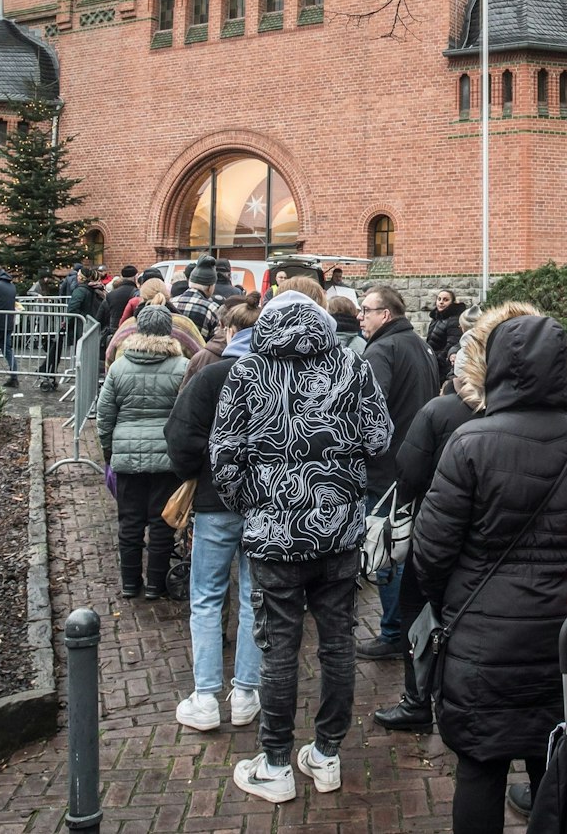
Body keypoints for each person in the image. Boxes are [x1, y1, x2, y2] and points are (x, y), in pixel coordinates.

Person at [413, 309, 567, 834]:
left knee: (480, 767)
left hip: (483, 634)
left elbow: (431, 550)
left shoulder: (470, 443)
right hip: (564, 633)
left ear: (494, 366)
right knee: (556, 766)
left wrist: (452, 602)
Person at [210, 290, 390, 804]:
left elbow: (224, 456)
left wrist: (257, 503)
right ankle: (327, 755)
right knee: (336, 644)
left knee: (279, 650)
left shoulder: (248, 372)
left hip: (275, 536)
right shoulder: (351, 366)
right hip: (337, 532)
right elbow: (379, 439)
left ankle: (274, 763)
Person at [372, 314, 494, 734]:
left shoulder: (441, 411)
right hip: (490, 540)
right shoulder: (507, 413)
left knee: (418, 613)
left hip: (435, 532)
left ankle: (417, 698)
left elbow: (407, 471)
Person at [165, 293, 265, 732]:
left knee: (206, 597)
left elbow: (180, 434)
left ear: (229, 331)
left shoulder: (213, 376)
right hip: (264, 502)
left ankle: (205, 696)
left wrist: (198, 474)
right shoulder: (277, 379)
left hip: (214, 502)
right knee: (251, 597)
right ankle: (245, 692)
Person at [355, 285, 441, 660]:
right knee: (408, 544)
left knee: (386, 546)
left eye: (366, 310)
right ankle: (408, 626)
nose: (360, 316)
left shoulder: (380, 350)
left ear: (385, 315)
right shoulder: (420, 344)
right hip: (418, 460)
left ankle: (392, 631)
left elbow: (370, 410)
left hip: (387, 466)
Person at [97, 304, 189, 600]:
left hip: (127, 456)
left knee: (130, 521)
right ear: (169, 331)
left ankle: (129, 582)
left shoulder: (119, 368)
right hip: (166, 458)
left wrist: (109, 452)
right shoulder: (182, 368)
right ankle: (155, 585)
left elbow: (104, 416)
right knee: (163, 523)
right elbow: (187, 415)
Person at [174, 256, 221, 339]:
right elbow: (217, 342)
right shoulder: (213, 309)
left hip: (173, 351)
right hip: (200, 351)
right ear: (210, 287)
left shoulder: (172, 302)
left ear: (190, 282)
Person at [424, 289, 467, 379]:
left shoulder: (454, 320)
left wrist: (437, 359)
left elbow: (452, 343)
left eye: (445, 300)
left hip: (443, 367)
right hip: (432, 364)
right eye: (439, 299)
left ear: (452, 302)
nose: (441, 302)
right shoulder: (436, 319)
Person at [101, 264, 140, 337]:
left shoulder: (110, 294)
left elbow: (102, 313)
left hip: (114, 332)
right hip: (131, 331)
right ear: (135, 277)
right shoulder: (137, 294)